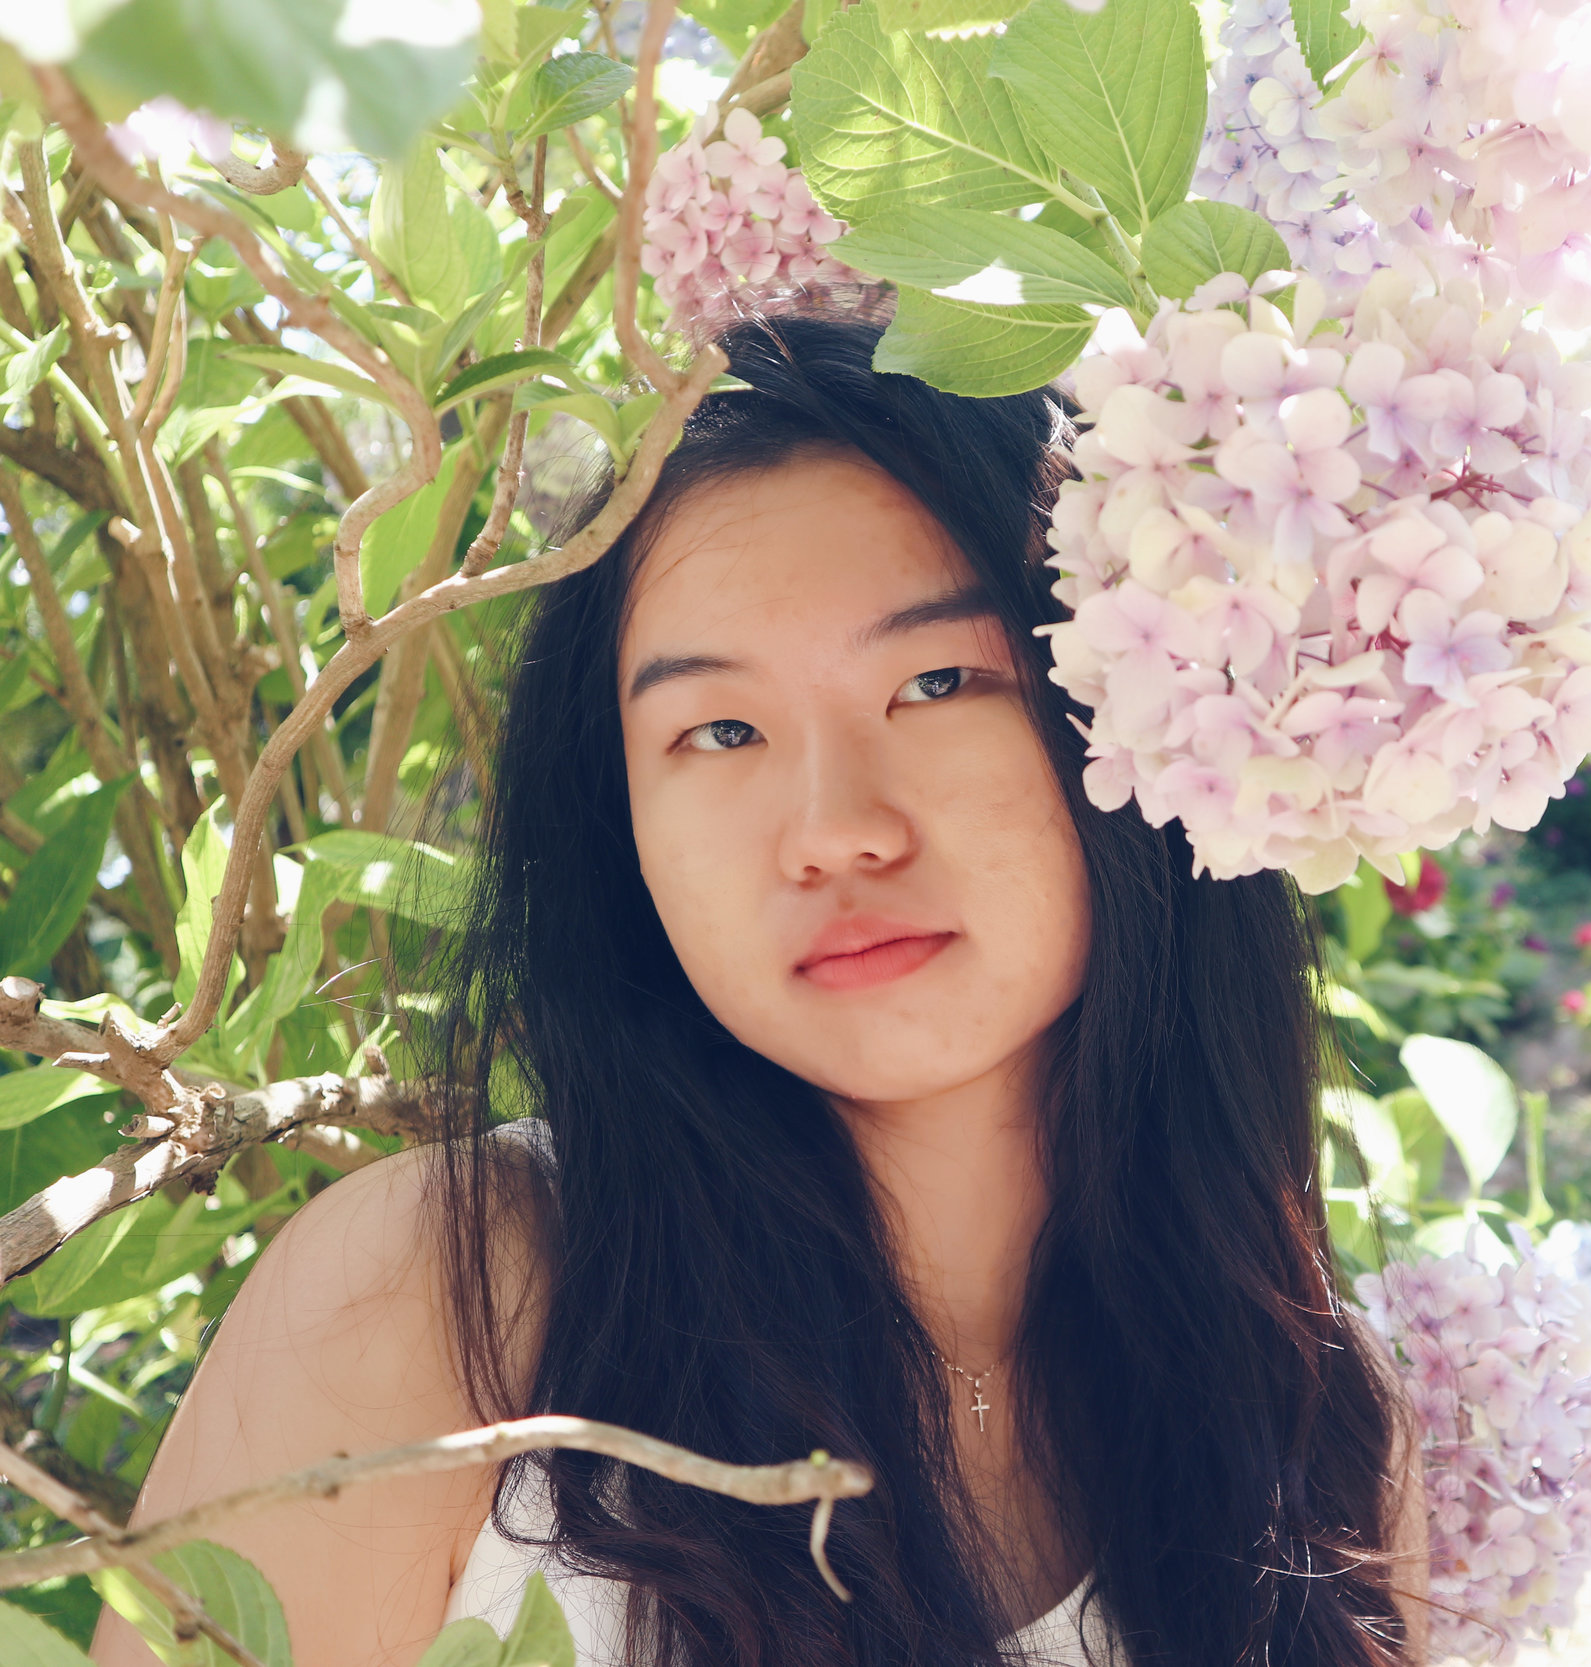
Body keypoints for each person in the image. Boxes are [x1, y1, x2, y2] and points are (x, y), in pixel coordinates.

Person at [98, 315, 1429, 1667]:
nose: (832, 828)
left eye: (938, 680)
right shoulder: (439, 1311)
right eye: (718, 731)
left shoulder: (1314, 1432)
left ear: (1147, 711)